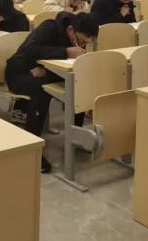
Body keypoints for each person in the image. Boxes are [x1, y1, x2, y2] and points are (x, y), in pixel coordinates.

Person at [6, 12, 99, 173]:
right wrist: (66, 52)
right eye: (82, 40)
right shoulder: (49, 27)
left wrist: (47, 70)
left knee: (78, 85)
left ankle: (75, 136)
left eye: (87, 42)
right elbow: (30, 50)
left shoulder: (74, 36)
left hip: (48, 73)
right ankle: (33, 149)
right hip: (19, 72)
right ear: (70, 30)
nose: (83, 44)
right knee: (42, 91)